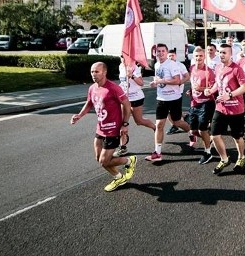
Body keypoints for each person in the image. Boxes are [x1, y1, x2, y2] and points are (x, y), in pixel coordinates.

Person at [70, 62, 137, 192]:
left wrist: (125, 124)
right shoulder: (92, 88)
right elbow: (89, 103)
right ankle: (119, 177)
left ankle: (129, 161)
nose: (94, 74)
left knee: (104, 161)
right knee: (98, 158)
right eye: (92, 72)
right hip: (100, 128)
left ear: (104, 72)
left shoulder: (113, 88)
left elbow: (127, 105)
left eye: (97, 72)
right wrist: (79, 115)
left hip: (113, 129)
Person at [204, 44, 245, 175]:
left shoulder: (237, 69)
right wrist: (210, 90)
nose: (221, 55)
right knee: (214, 135)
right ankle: (224, 159)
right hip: (221, 108)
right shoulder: (218, 67)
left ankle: (241, 157)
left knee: (237, 137)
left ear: (231, 54)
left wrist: (229, 95)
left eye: (224, 52)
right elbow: (218, 84)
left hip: (236, 109)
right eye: (220, 52)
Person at [145, 43, 191, 162]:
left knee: (177, 122)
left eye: (162, 51)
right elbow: (158, 80)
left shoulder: (172, 64)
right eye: (158, 51)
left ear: (166, 52)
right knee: (159, 124)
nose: (160, 53)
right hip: (161, 99)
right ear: (155, 53)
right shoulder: (156, 65)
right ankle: (157, 153)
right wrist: (154, 83)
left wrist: (162, 80)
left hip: (174, 98)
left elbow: (177, 80)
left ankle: (191, 132)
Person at [114, 55, 156, 157]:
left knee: (139, 121)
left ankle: (156, 128)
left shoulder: (134, 68)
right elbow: (123, 82)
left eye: (125, 57)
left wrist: (131, 75)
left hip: (136, 98)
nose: (123, 59)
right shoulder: (121, 66)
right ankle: (123, 147)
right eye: (121, 57)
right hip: (125, 99)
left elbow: (141, 83)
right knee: (123, 123)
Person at [187, 47, 218, 165]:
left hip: (206, 103)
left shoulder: (208, 72)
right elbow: (192, 83)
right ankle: (208, 139)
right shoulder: (192, 68)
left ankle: (208, 152)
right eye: (196, 56)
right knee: (193, 131)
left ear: (204, 57)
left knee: (202, 129)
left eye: (200, 56)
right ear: (193, 57)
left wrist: (201, 89)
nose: (198, 58)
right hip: (194, 103)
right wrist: (191, 90)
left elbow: (213, 89)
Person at [165, 48, 191, 135]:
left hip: (177, 92)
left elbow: (187, 76)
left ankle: (182, 121)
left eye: (172, 55)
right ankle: (175, 125)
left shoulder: (180, 65)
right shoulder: (164, 65)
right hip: (166, 92)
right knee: (168, 111)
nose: (171, 57)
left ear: (175, 56)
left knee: (173, 111)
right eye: (169, 56)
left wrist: (180, 82)